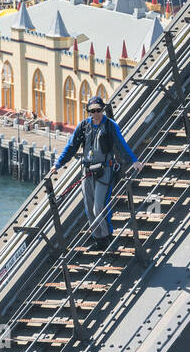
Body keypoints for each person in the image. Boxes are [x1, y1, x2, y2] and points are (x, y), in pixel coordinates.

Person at [53, 94, 138, 247]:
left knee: (99, 205)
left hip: (105, 170)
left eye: (99, 110)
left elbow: (121, 143)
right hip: (87, 171)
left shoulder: (110, 125)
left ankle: (107, 235)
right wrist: (58, 164)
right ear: (89, 112)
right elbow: (71, 146)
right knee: (89, 206)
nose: (96, 114)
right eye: (92, 111)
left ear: (103, 110)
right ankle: (97, 238)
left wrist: (134, 160)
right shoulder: (83, 126)